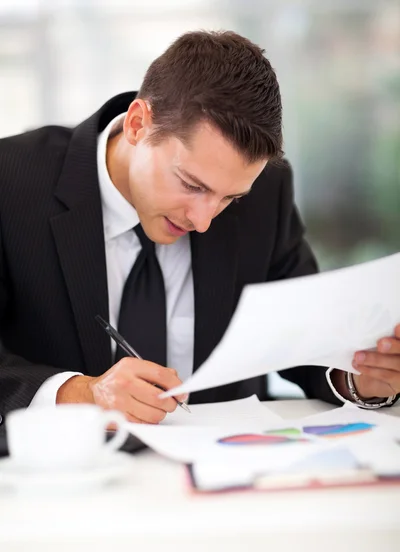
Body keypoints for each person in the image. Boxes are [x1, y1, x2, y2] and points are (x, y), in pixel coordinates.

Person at [0, 30, 399, 427]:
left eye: (230, 199)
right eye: (192, 185)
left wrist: (360, 379)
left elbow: (308, 345)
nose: (204, 221)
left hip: (226, 470)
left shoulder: (266, 193)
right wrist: (78, 394)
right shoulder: (11, 183)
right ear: (138, 125)